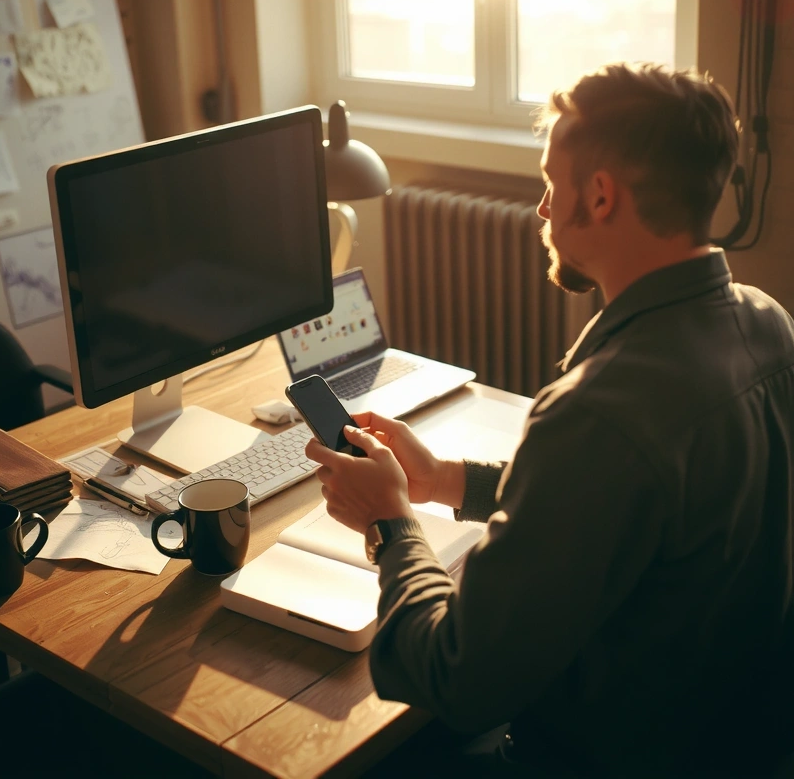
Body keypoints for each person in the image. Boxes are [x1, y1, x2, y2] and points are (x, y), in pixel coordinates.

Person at [306, 63, 794, 778]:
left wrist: (391, 523)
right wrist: (446, 480)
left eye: (549, 182)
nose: (540, 208)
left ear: (598, 197)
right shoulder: (768, 326)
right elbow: (630, 503)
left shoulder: (599, 412)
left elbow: (456, 681)